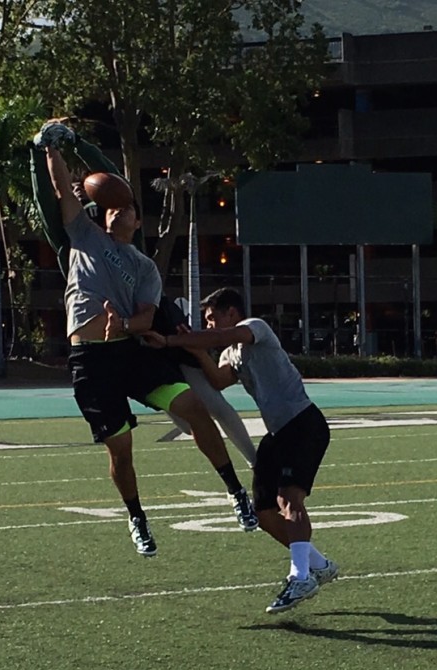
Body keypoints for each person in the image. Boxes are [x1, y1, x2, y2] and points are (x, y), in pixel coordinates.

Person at [33, 123, 257, 559]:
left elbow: (147, 317)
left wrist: (125, 327)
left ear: (138, 220)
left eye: (126, 208)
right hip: (89, 361)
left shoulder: (145, 268)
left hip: (127, 354)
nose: (117, 211)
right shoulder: (84, 235)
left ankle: (235, 491)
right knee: (121, 450)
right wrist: (50, 147)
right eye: (112, 207)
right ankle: (137, 517)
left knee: (193, 407)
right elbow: (60, 189)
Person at [143, 287, 339, 613]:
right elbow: (219, 380)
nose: (208, 326)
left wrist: (172, 341)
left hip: (303, 424)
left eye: (211, 318)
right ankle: (318, 564)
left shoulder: (255, 327)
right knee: (263, 512)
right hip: (277, 433)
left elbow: (227, 335)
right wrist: (195, 352)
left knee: (290, 499)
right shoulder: (228, 352)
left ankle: (300, 575)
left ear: (231, 312)